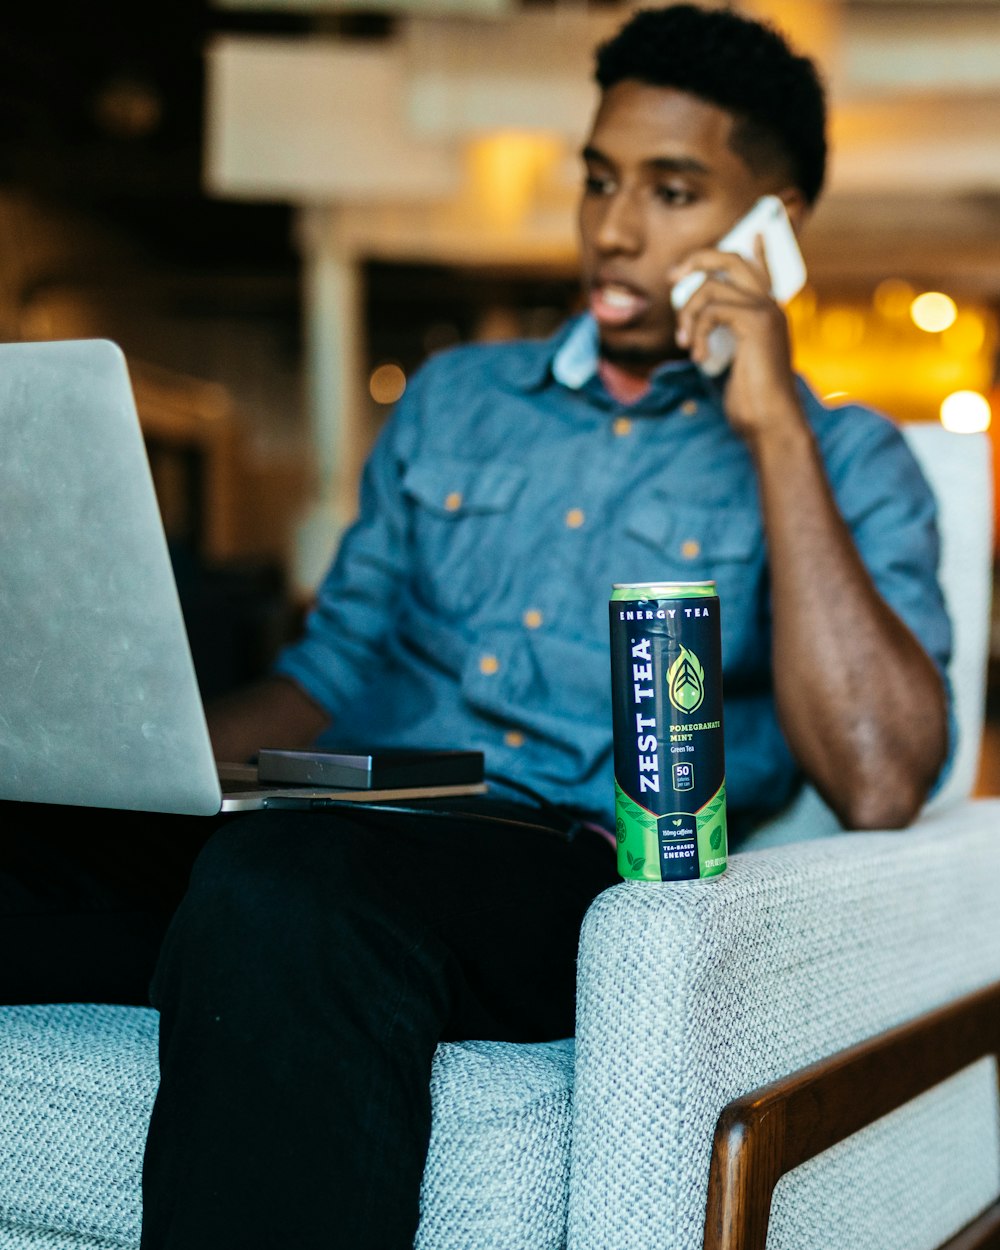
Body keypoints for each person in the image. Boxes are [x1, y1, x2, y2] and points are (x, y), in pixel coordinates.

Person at [3, 4, 954, 1248]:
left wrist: (771, 422)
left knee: (286, 886)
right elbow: (329, 667)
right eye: (600, 178)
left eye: (671, 191)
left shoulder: (843, 458)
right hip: (330, 815)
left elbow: (880, 776)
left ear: (774, 228)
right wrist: (135, 763)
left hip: (557, 867)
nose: (612, 230)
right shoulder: (454, 399)